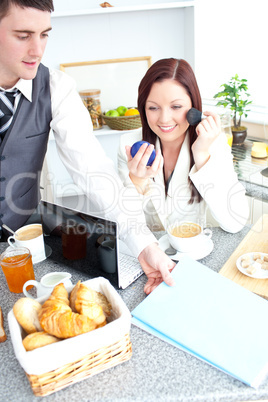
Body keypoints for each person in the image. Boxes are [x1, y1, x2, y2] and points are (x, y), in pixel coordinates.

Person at [0, 0, 175, 294]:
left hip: (27, 240)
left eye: (44, 34)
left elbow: (93, 170)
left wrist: (145, 246)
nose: (38, 50)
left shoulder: (57, 88)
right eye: (23, 35)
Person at [118, 58, 249, 234]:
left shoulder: (213, 144)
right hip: (146, 251)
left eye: (176, 106)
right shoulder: (128, 145)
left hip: (191, 251)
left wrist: (202, 155)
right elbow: (122, 223)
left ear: (193, 107)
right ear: (143, 108)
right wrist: (137, 181)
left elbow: (235, 222)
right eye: (153, 108)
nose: (164, 119)